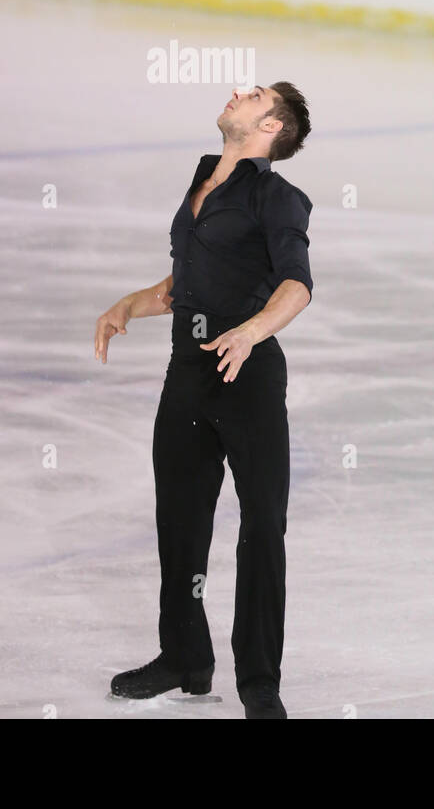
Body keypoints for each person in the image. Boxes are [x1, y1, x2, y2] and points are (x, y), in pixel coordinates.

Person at [94, 82, 313, 720]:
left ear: (270, 127)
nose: (237, 93)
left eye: (254, 95)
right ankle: (184, 658)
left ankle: (260, 686)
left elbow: (297, 284)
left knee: (261, 528)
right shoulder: (201, 185)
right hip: (187, 372)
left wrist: (250, 331)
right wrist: (130, 304)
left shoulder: (278, 198)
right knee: (180, 522)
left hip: (247, 374)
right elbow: (186, 277)